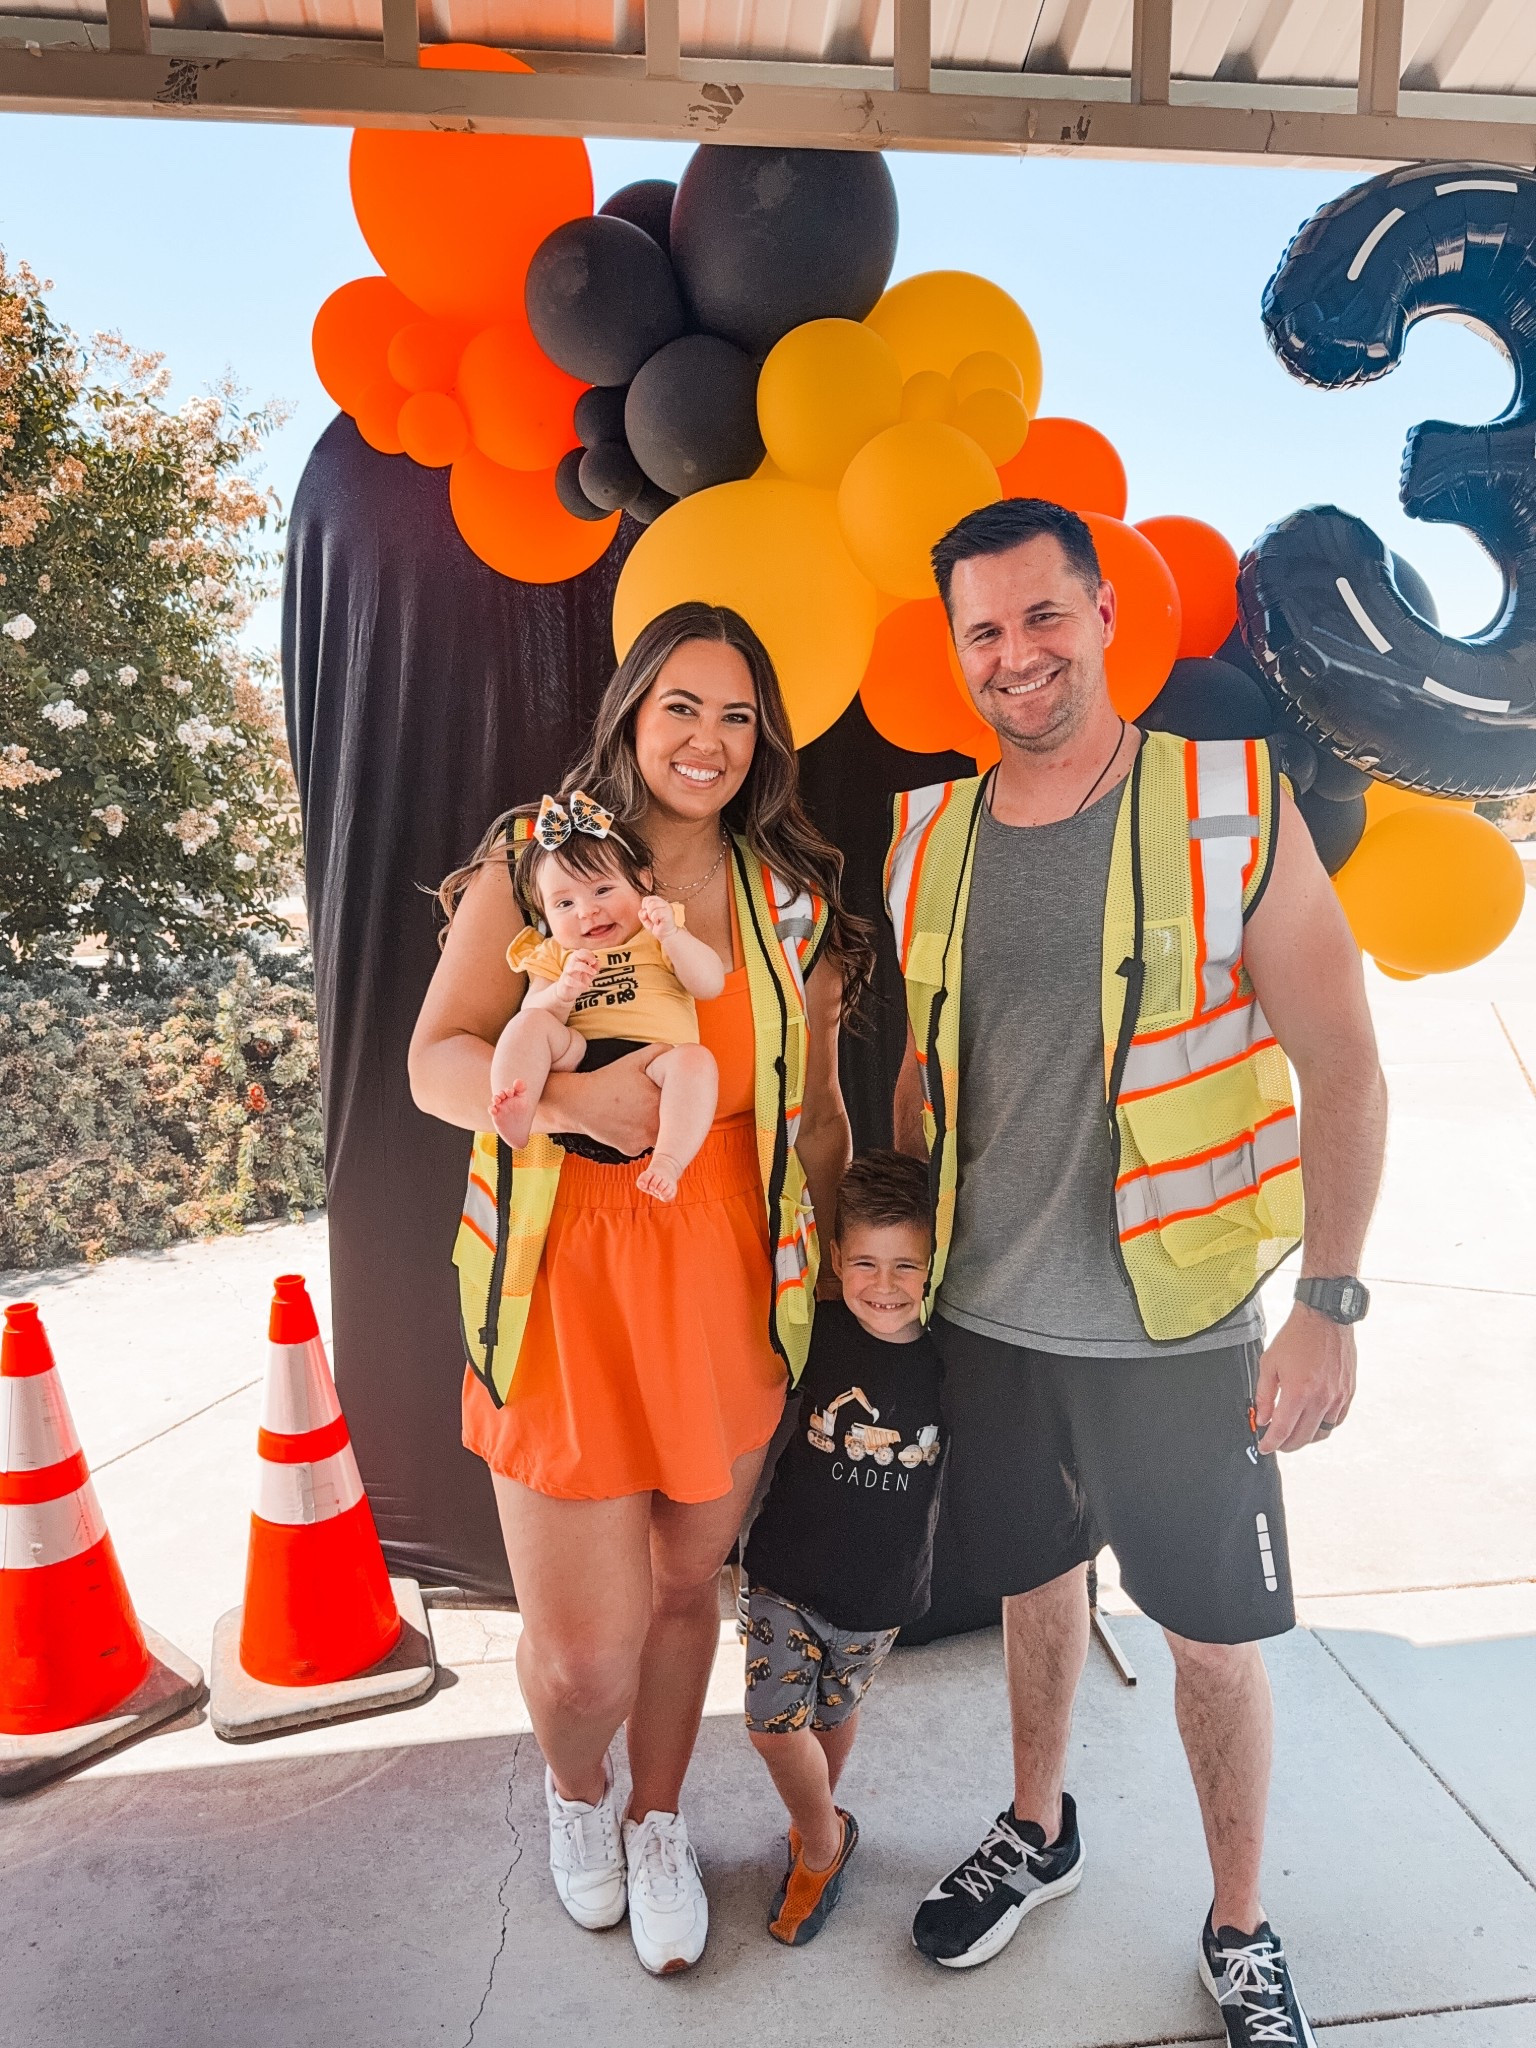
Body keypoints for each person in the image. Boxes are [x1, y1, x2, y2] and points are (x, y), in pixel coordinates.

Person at [886, 499, 1387, 2046]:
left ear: (1106, 615)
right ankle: (1040, 1831)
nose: (1015, 656)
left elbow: (1345, 1067)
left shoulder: (1231, 800)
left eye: (1043, 616)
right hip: (988, 1316)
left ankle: (1241, 1927)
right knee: (1033, 1591)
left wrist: (1330, 1299)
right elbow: (924, 1077)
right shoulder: (930, 838)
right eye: (984, 631)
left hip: (1176, 1325)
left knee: (1208, 1639)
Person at [409, 602, 870, 1977]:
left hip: (731, 1281)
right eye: (683, 706)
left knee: (686, 1594)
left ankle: (660, 1817)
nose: (709, 741)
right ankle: (577, 1798)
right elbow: (438, 1060)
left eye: (737, 716)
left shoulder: (790, 898)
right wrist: (563, 1103)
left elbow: (824, 1116)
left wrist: (844, 1285)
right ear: (630, 712)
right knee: (589, 1649)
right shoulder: (532, 854)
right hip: (562, 1290)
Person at [740, 1149, 945, 1948]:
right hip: (785, 1570)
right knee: (769, 1724)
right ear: (836, 1259)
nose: (884, 1285)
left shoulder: (949, 1358)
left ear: (934, 1262)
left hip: (881, 1592)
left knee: (833, 1711)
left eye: (905, 1265)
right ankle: (821, 1845)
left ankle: (820, 1815)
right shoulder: (817, 1331)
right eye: (864, 1261)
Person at [490, 792, 724, 1202]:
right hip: (577, 1062)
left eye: (601, 890)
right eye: (564, 903)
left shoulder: (658, 936)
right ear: (544, 913)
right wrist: (562, 994)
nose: (587, 912)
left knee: (697, 1061)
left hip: (657, 1068)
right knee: (528, 1025)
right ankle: (518, 1114)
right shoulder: (554, 955)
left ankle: (669, 1160)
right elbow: (532, 1014)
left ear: (644, 881)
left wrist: (673, 935)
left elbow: (709, 984)